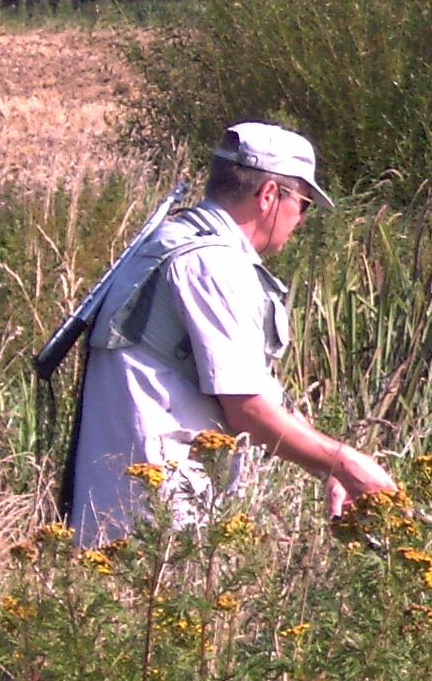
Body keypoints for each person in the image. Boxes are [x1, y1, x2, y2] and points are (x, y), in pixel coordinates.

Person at [67, 121, 399, 542]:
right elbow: (249, 411)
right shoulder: (214, 267)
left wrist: (328, 467)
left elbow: (247, 387)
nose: (300, 219)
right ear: (268, 196)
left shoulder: (173, 241)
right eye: (304, 203)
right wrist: (348, 464)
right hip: (158, 522)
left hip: (123, 505)